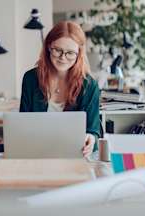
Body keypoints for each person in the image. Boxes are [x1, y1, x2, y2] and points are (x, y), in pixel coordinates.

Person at [20, 21, 100, 158]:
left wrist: (91, 139)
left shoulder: (89, 85)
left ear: (79, 54)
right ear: (48, 47)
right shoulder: (31, 79)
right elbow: (23, 124)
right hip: (36, 154)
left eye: (70, 53)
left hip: (74, 156)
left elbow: (93, 130)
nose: (63, 58)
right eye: (57, 50)